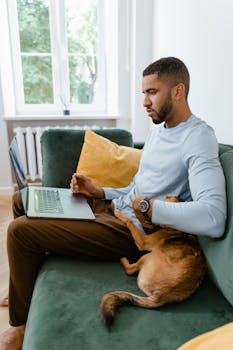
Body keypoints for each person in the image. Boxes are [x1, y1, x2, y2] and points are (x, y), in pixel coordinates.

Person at [0, 57, 226, 349]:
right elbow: (136, 188)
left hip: (131, 233)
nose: (145, 101)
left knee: (20, 231)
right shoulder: (160, 131)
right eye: (143, 92)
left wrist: (147, 208)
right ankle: (23, 289)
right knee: (23, 199)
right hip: (115, 210)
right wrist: (99, 192)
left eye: (152, 92)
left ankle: (20, 325)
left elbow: (214, 216)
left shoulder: (198, 138)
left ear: (178, 91)